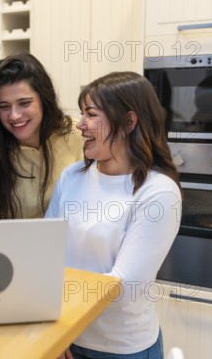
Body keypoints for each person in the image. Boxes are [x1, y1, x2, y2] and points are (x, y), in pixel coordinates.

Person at [45, 71, 182, 359]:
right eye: (82, 113)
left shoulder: (158, 193)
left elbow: (122, 286)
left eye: (91, 114)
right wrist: (55, 334)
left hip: (121, 349)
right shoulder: (72, 176)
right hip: (66, 341)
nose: (80, 125)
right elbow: (44, 253)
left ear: (129, 122)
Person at [0, 52, 83, 219]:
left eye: (24, 103)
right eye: (4, 106)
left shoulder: (76, 134)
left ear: (43, 98)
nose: (14, 116)